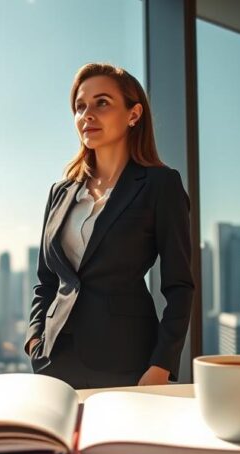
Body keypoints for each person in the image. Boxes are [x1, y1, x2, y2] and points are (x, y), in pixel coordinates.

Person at [23, 62, 195, 390]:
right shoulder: (61, 192)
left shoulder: (161, 185)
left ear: (133, 114)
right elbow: (46, 280)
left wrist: (161, 366)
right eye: (80, 106)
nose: (88, 114)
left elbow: (179, 287)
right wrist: (34, 339)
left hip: (126, 360)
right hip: (53, 359)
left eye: (102, 103)